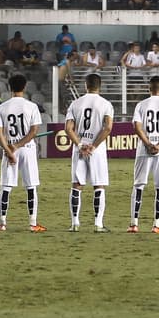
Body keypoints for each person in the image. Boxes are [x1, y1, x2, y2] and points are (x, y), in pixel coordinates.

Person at [0, 73, 44, 232]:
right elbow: (34, 131)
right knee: (31, 187)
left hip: (9, 149)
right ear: (24, 87)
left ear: (10, 88)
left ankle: (2, 223)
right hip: (27, 149)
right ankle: (32, 223)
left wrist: (9, 150)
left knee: (6, 187)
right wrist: (19, 145)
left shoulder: (2, 107)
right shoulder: (31, 106)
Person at [64, 72, 113, 232]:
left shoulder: (75, 104)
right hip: (96, 151)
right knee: (98, 185)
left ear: (86, 85)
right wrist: (94, 146)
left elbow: (68, 129)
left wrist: (80, 145)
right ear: (100, 86)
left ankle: (75, 223)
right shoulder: (106, 104)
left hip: (79, 149)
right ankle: (98, 224)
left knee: (77, 185)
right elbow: (108, 128)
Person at [130, 75, 159, 233]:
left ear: (149, 88)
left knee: (138, 186)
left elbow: (137, 126)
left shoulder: (141, 105)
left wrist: (148, 144)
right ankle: (156, 225)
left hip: (144, 151)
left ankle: (134, 224)